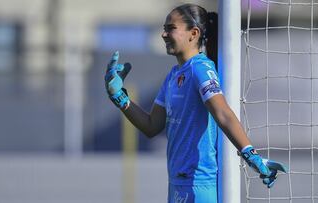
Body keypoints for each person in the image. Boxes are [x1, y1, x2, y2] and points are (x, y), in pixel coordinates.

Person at [104, 3, 287, 203]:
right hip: (176, 184)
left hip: (198, 186)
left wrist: (251, 156)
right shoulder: (173, 76)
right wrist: (119, 97)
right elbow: (151, 126)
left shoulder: (200, 69)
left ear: (194, 33)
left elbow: (223, 113)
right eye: (164, 29)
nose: (164, 34)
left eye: (170, 28)